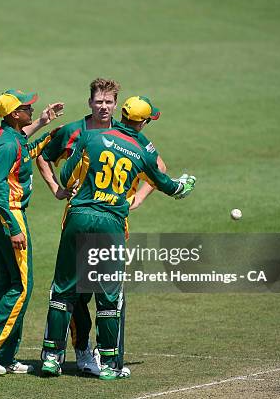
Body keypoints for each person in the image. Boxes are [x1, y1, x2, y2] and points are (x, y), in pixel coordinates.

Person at [41, 95, 196, 380]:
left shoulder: (92, 137)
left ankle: (52, 357)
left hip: (78, 217)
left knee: (63, 290)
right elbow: (167, 185)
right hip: (110, 223)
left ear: (121, 114)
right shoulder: (143, 149)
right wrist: (184, 185)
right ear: (144, 122)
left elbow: (66, 176)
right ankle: (110, 366)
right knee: (109, 296)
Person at [0, 90, 64, 375]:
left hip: (0, 216)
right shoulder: (8, 144)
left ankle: (5, 356)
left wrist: (46, 128)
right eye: (26, 108)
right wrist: (13, 227)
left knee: (7, 283)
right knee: (21, 286)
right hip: (8, 214)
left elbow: (25, 151)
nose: (30, 110)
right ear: (13, 115)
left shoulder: (7, 135)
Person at [36, 77, 122, 376]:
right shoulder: (73, 131)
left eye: (108, 102)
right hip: (78, 220)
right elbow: (43, 156)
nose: (103, 107)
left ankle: (96, 354)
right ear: (90, 102)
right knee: (74, 293)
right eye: (98, 101)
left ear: (115, 104)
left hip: (110, 225)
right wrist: (57, 189)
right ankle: (77, 352)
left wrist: (134, 197)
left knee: (99, 292)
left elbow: (157, 165)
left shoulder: (123, 134)